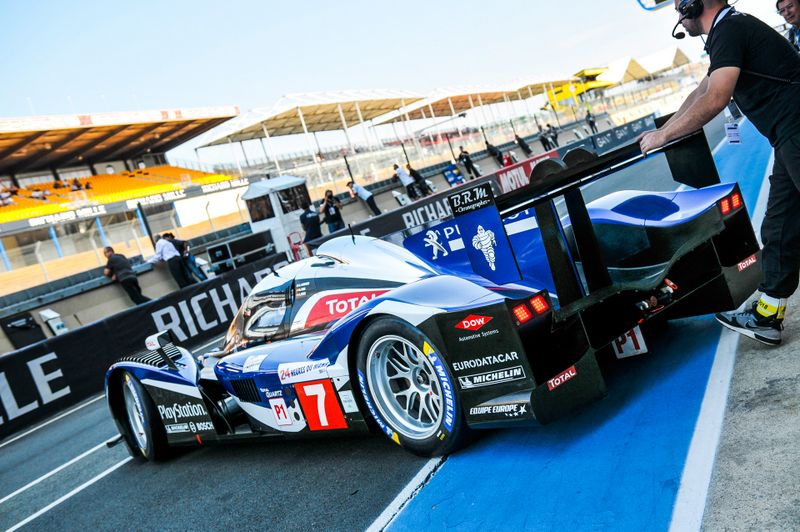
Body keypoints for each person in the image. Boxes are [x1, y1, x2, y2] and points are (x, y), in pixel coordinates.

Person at [640, 0, 800, 346]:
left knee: (781, 226)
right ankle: (767, 317)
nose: (678, 14)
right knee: (779, 227)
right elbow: (702, 89)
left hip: (796, 128)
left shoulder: (729, 28)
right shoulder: (728, 30)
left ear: (694, 4)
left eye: (681, 5)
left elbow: (716, 97)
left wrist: (666, 135)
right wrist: (665, 128)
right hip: (787, 135)